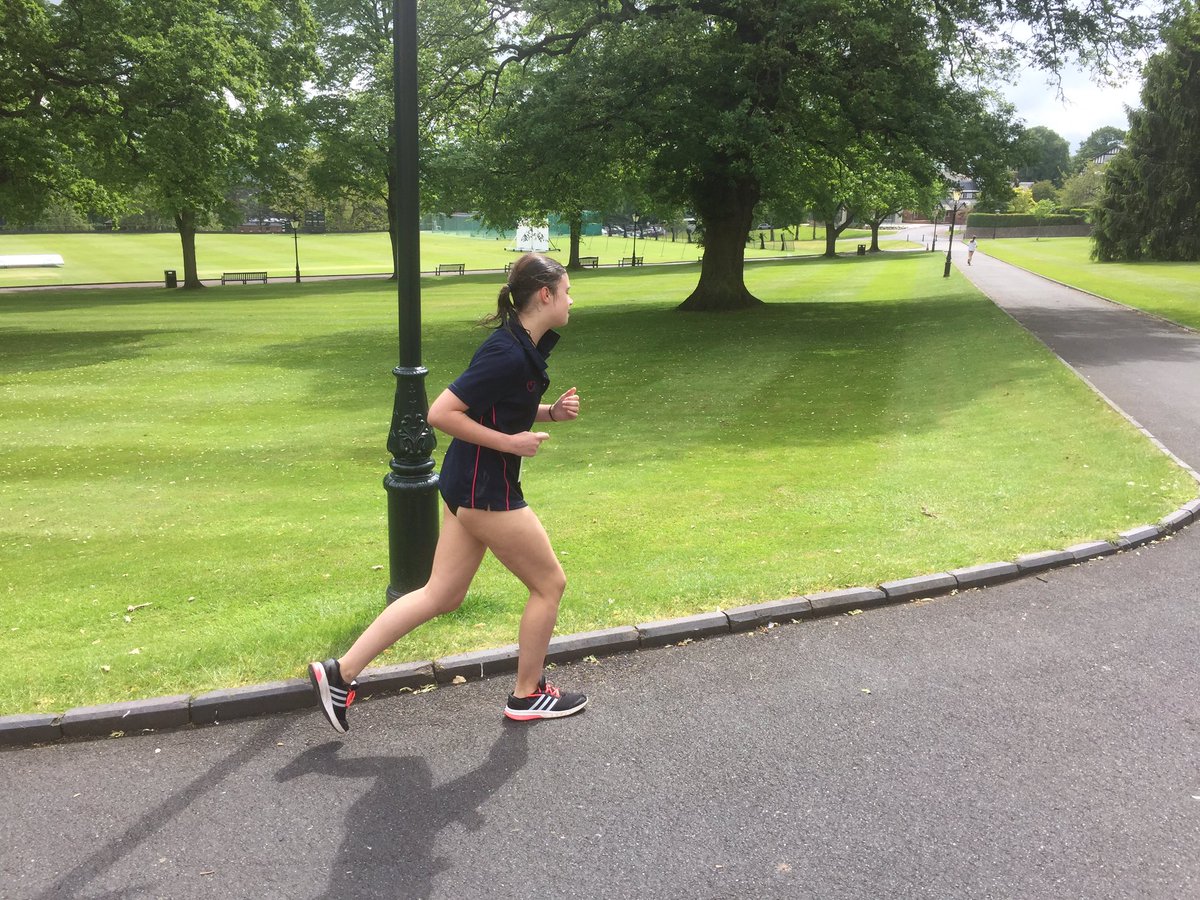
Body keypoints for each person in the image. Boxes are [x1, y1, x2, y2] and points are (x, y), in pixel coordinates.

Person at [309, 252, 587, 731]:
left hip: (468, 483)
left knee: (441, 594)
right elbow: (441, 413)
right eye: (566, 292)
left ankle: (340, 673)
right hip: (485, 488)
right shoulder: (506, 352)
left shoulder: (519, 345)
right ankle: (528, 694)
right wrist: (512, 444)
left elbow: (493, 406)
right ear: (545, 295)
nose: (571, 300)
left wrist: (548, 414)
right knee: (549, 585)